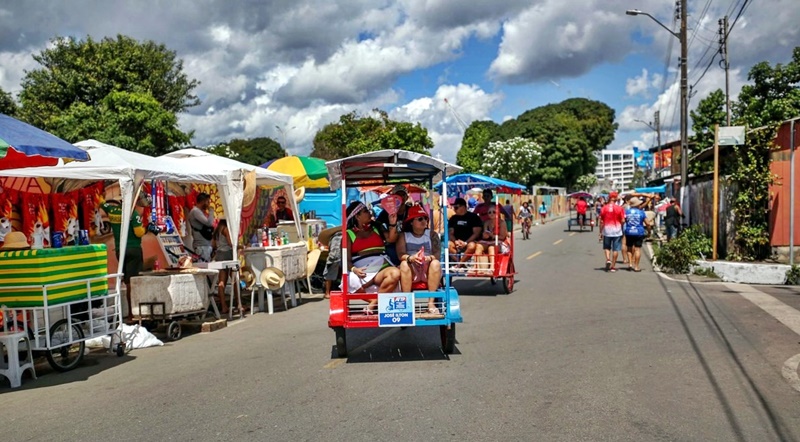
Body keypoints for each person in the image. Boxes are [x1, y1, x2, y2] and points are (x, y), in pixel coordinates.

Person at [344, 201, 400, 314]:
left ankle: (374, 303)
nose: (369, 213)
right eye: (365, 211)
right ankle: (378, 302)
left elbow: (391, 239)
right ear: (357, 216)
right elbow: (346, 259)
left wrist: (392, 224)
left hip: (381, 267)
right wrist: (354, 269)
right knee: (349, 281)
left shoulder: (377, 226)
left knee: (395, 274)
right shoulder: (348, 234)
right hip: (362, 269)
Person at [100, 194, 147, 322]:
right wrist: (146, 229)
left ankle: (125, 313)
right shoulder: (134, 214)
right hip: (134, 250)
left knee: (125, 282)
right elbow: (139, 232)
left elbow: (101, 203)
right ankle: (133, 313)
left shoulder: (113, 211)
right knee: (132, 283)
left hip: (120, 250)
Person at [396, 205, 441, 314]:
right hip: (412, 269)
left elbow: (437, 253)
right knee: (403, 264)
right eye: (420, 219)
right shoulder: (404, 236)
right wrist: (410, 258)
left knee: (435, 263)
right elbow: (400, 254)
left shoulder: (431, 234)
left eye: (425, 218)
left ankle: (431, 302)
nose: (424, 221)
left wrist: (428, 258)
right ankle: (406, 302)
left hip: (427, 268)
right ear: (411, 222)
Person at [376, 184, 410, 265]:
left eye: (403, 195)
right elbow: (379, 225)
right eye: (398, 195)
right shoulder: (385, 213)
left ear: (407, 197)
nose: (401, 197)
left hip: (409, 242)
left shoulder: (411, 210)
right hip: (392, 244)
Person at [447, 197, 483, 267]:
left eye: (456, 207)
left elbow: (476, 233)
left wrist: (465, 242)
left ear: (463, 207)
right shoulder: (453, 218)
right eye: (454, 207)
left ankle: (459, 264)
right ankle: (461, 263)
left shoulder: (473, 217)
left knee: (472, 246)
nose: (454, 209)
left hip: (470, 241)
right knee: (448, 245)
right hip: (457, 242)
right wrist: (456, 241)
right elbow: (450, 233)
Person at [475, 206, 509, 276]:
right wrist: (485, 235)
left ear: (498, 213)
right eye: (489, 212)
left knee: (491, 247)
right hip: (489, 241)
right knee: (478, 246)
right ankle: (477, 267)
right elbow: (485, 234)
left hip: (500, 242)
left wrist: (492, 236)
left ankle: (492, 267)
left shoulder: (502, 223)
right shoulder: (487, 223)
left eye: (494, 212)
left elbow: (502, 237)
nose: (491, 214)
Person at [599, 191, 625, 272]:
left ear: (609, 198)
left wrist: (600, 232)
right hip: (617, 231)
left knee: (607, 247)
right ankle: (613, 266)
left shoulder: (604, 208)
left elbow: (601, 221)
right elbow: (623, 220)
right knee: (615, 249)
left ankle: (608, 259)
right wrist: (620, 226)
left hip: (607, 230)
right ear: (616, 198)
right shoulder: (620, 208)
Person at [212, 219, 233, 314]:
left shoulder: (217, 231)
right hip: (227, 254)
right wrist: (240, 246)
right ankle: (238, 304)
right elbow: (230, 243)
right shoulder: (225, 229)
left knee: (221, 281)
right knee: (234, 280)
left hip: (219, 254)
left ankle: (223, 305)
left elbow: (214, 245)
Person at [188, 192, 215, 262]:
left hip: (205, 245)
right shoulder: (196, 211)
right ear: (203, 201)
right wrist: (211, 211)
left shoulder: (199, 212)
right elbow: (208, 223)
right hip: (202, 246)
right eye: (207, 202)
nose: (208, 204)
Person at [624, 197, 647, 272]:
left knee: (629, 249)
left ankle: (630, 264)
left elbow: (623, 221)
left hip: (629, 232)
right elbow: (648, 223)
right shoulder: (641, 212)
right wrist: (649, 231)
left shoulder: (626, 212)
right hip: (639, 232)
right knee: (637, 249)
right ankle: (636, 266)